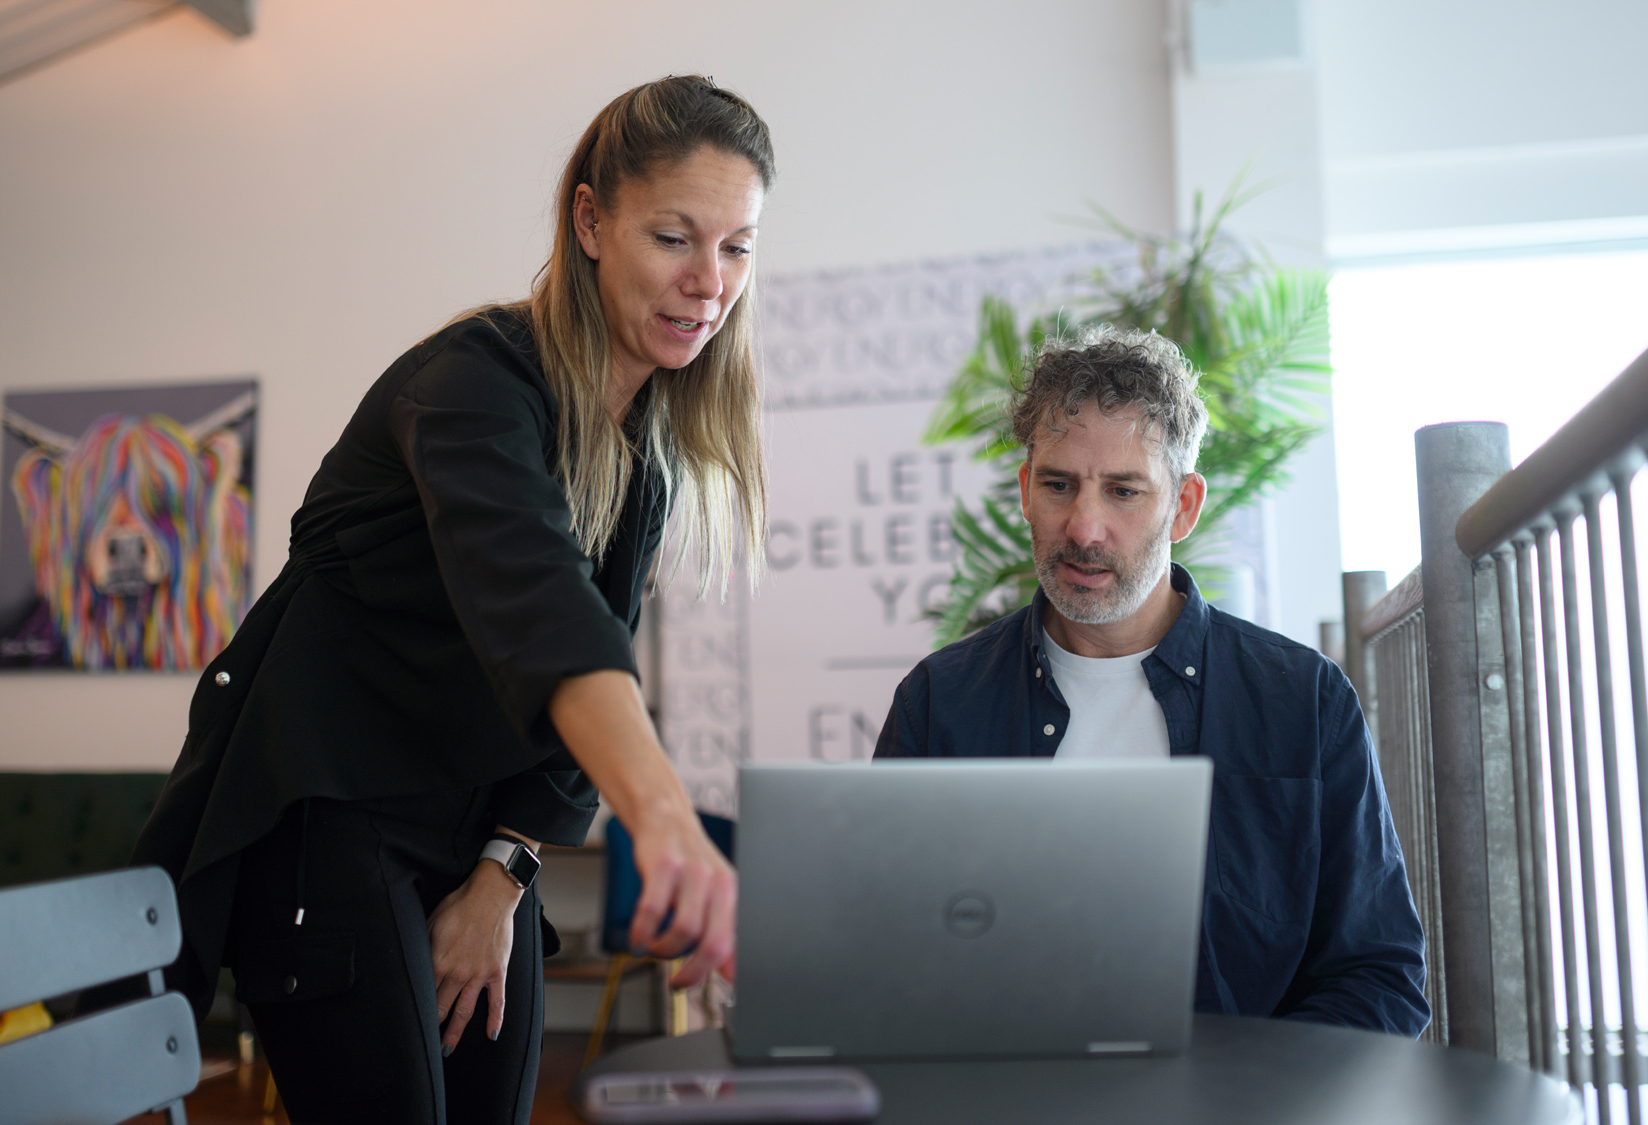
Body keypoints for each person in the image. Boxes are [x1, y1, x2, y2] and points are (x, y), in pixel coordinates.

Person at [126, 76, 772, 1122]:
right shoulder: (470, 387)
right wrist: (663, 817)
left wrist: (500, 881)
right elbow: (538, 606)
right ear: (591, 220)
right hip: (326, 818)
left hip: (472, 843)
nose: (708, 281)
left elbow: (582, 678)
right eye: (674, 237)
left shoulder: (639, 459)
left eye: (736, 247)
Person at [874, 328, 1431, 1036]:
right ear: (1024, 491)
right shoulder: (939, 703)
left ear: (1185, 505)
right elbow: (884, 960)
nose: (1085, 527)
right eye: (1058, 484)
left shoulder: (1304, 701)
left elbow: (1379, 979)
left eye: (1124, 490)